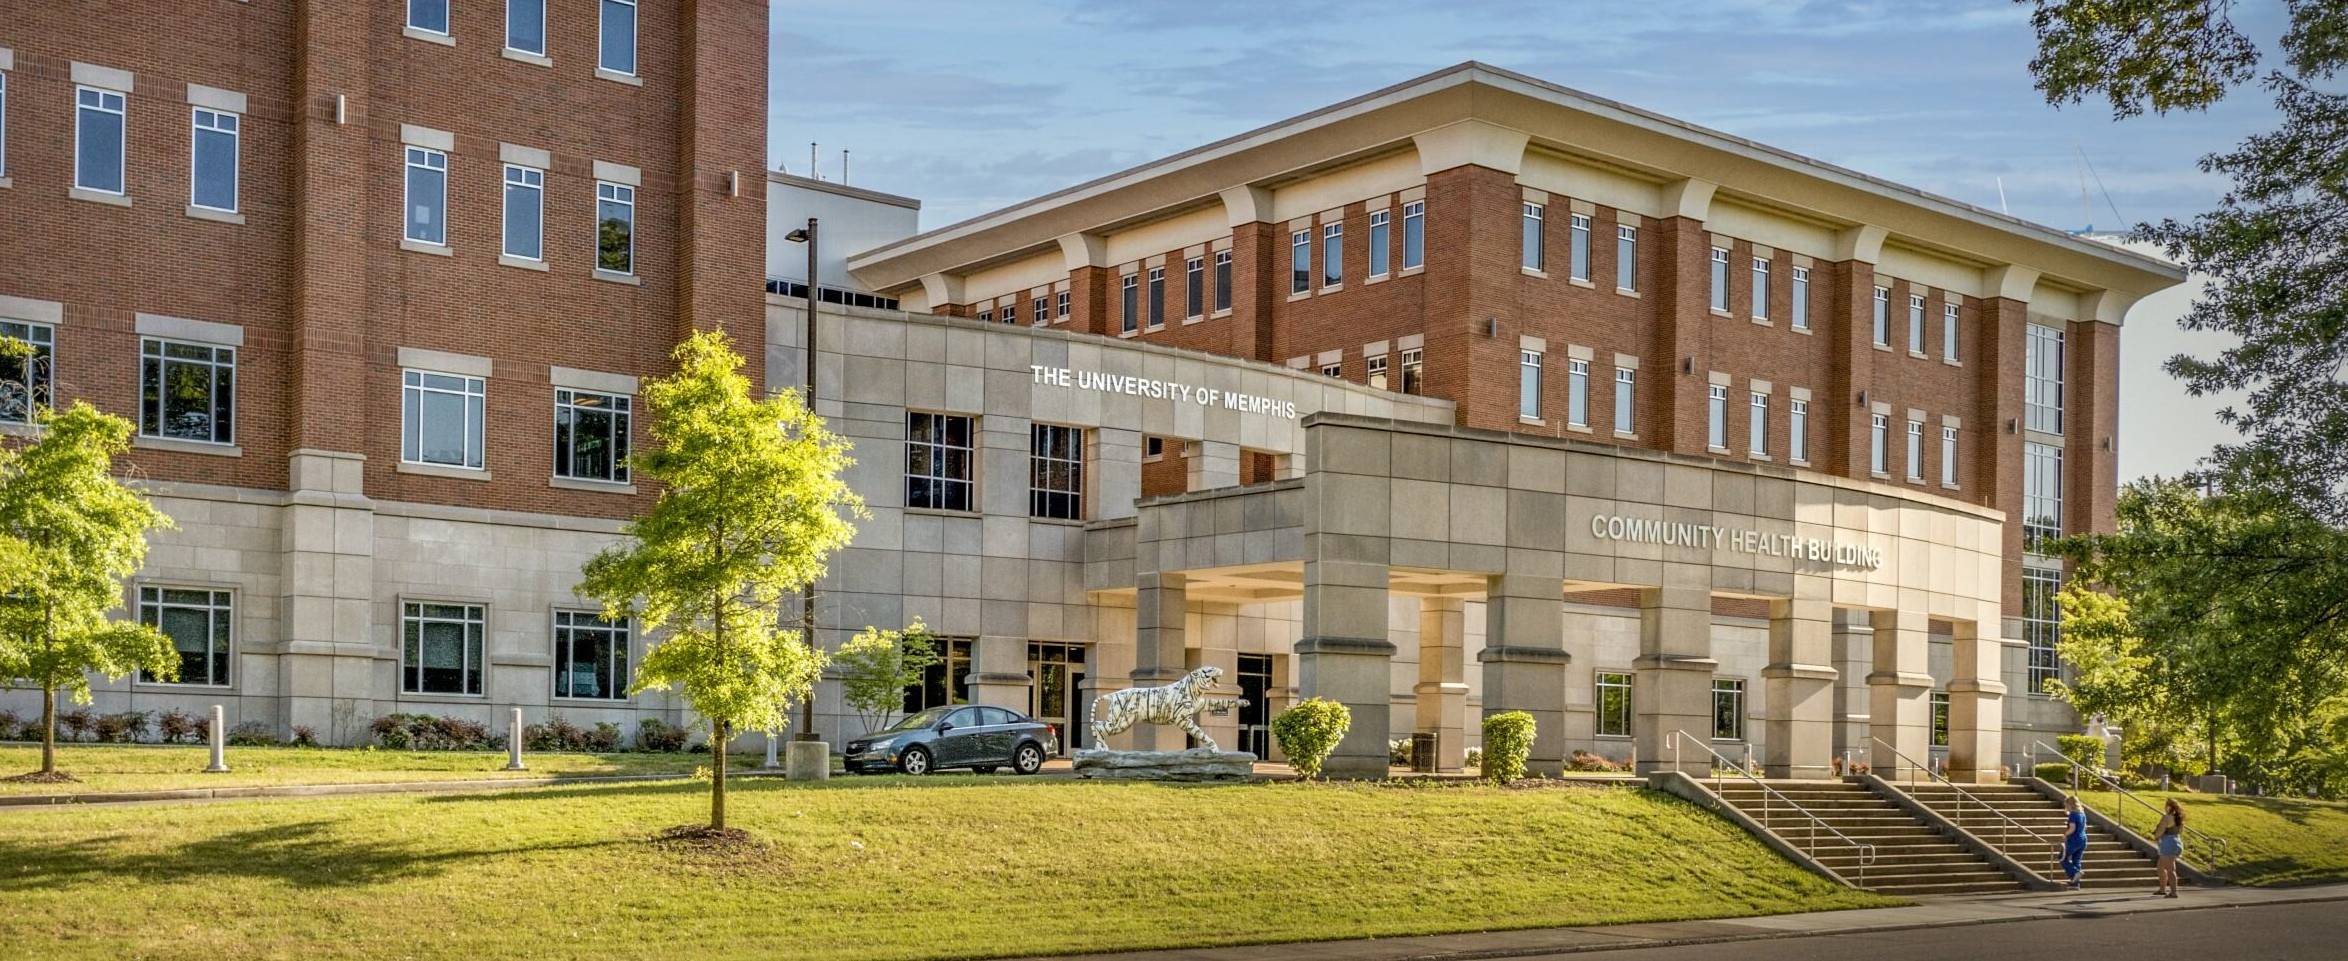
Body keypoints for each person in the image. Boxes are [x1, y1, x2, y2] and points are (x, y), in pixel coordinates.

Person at [2154, 798, 2186, 897]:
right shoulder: (2179, 818)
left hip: (2168, 843)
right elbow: (2180, 831)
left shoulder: (2167, 817)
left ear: (2169, 807)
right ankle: (2162, 889)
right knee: (2160, 867)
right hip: (2176, 842)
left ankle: (2173, 892)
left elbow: (2160, 831)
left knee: (2170, 869)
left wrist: (2156, 836)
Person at [2059, 795, 2089, 889]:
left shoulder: (2073, 814)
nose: (2066, 807)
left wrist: (2065, 834)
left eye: (2066, 805)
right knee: (2076, 860)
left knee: (2062, 858)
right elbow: (2084, 827)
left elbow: (2072, 828)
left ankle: (2075, 872)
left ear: (2070, 804)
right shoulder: (2082, 813)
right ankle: (2075, 884)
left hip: (2074, 840)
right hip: (2083, 839)